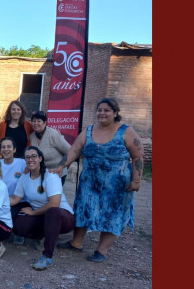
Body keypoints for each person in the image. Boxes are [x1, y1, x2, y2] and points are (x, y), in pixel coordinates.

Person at [53, 98, 144, 262]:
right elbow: (74, 150)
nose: (102, 113)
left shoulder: (126, 131)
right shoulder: (88, 131)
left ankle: (102, 250)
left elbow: (137, 157)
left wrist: (136, 181)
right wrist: (61, 166)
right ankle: (76, 243)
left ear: (115, 113)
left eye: (107, 110)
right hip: (89, 183)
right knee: (83, 210)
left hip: (116, 186)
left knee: (112, 215)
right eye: (99, 110)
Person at [9, 146, 76, 270]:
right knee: (19, 227)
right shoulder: (24, 178)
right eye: (27, 157)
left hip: (63, 217)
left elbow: (55, 203)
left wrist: (33, 213)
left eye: (34, 156)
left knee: (53, 212)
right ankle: (44, 235)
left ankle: (47, 256)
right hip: (42, 216)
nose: (30, 159)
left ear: (40, 158)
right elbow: (14, 198)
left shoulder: (50, 176)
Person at [0, 137, 28, 245]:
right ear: (0, 150)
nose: (6, 149)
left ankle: (18, 232)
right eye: (3, 147)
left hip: (20, 201)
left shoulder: (22, 163)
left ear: (14, 149)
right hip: (2, 201)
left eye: (9, 147)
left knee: (20, 221)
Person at [29, 110, 71, 185]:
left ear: (45, 123)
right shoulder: (31, 136)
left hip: (57, 174)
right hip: (41, 174)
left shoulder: (53, 134)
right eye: (34, 121)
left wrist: (61, 166)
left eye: (39, 121)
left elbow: (70, 151)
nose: (36, 123)